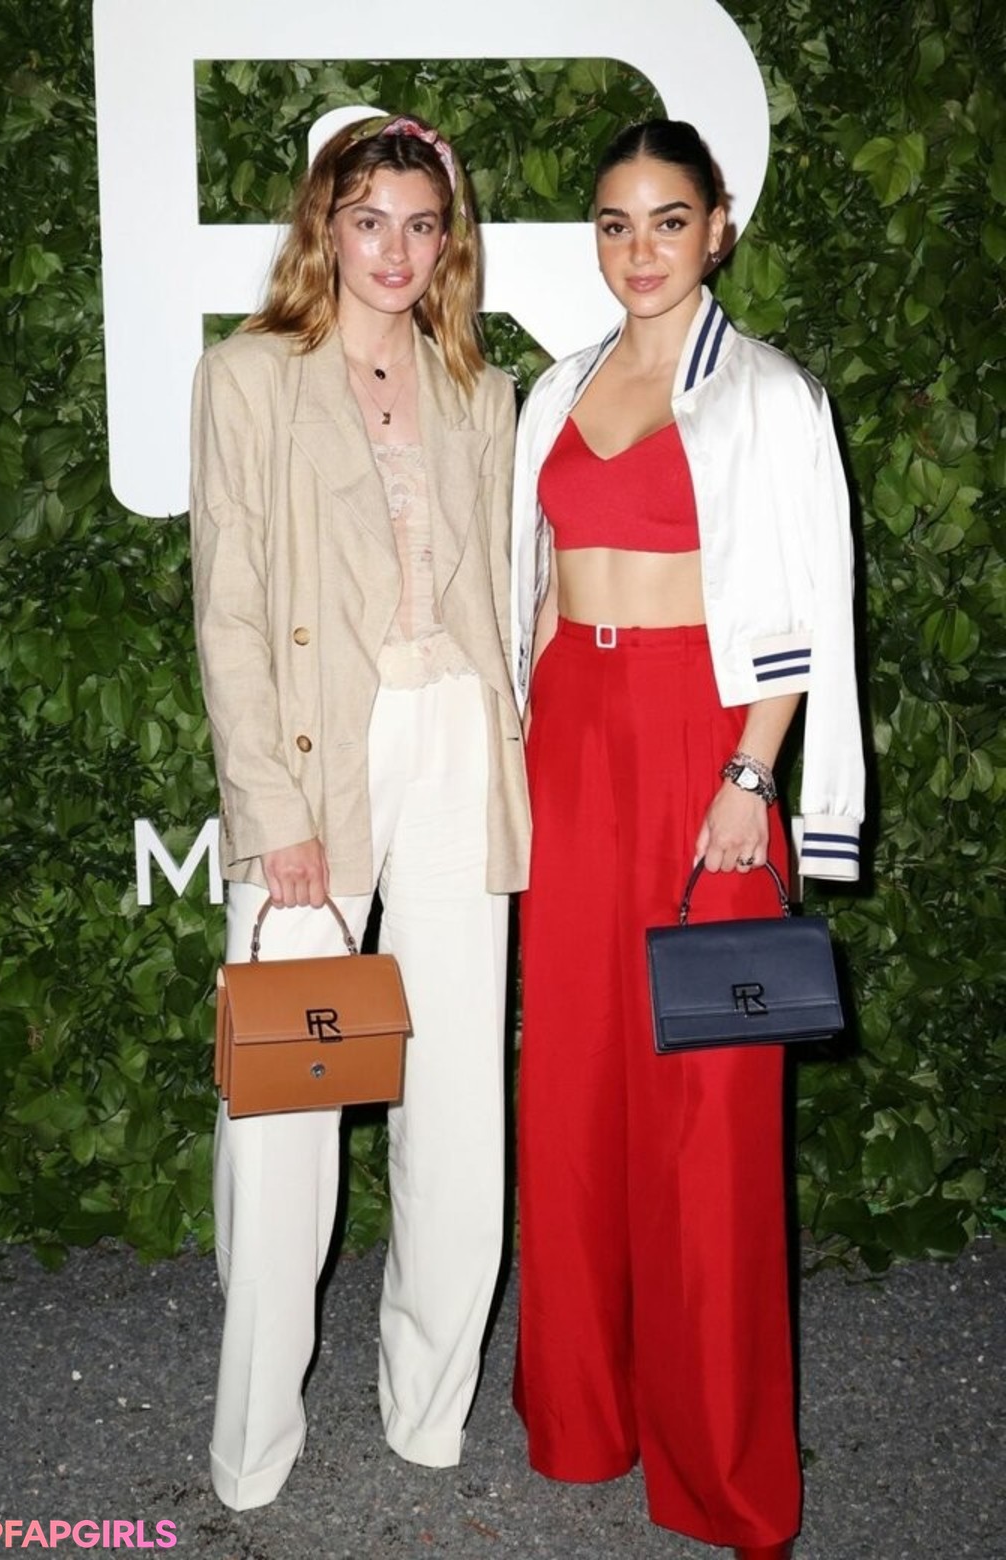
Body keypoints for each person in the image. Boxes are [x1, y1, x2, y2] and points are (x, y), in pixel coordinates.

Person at [509, 120, 865, 1560]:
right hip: (570, 734)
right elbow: (536, 585)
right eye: (615, 223)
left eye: (668, 220)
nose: (640, 250)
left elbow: (808, 604)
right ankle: (584, 1417)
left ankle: (721, 1469)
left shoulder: (769, 394)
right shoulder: (557, 387)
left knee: (709, 1104)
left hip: (701, 742)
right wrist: (518, 749)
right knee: (572, 1078)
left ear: (720, 226)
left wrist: (749, 775)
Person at [189, 113, 529, 1512]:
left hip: (456, 739)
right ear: (324, 226)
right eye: (370, 218)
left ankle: (429, 1412)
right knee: (284, 1108)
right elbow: (229, 611)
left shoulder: (481, 390)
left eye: (422, 223)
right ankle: (252, 1440)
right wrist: (272, 805)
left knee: (457, 1095)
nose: (396, 248)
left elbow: (511, 596)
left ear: (450, 242)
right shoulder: (248, 376)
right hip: (319, 753)